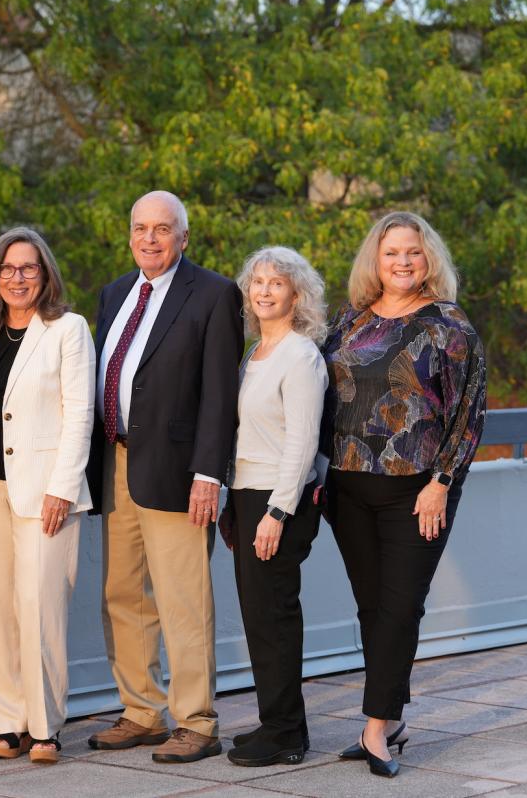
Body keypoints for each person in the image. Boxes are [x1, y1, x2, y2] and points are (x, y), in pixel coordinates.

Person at [321, 211, 486, 778]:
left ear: (428, 258)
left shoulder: (449, 325)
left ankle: (373, 727)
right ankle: (390, 718)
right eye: (391, 252)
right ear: (376, 259)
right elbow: (322, 400)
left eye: (412, 252)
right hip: (346, 487)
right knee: (373, 607)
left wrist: (442, 482)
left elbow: (468, 413)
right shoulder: (347, 321)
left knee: (400, 607)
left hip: (418, 491)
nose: (402, 262)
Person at [86, 190, 244, 763]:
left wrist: (210, 472)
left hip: (180, 470)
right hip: (117, 461)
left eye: (162, 229)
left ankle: (197, 720)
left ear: (183, 237)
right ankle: (141, 711)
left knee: (182, 597)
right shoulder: (114, 294)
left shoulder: (215, 294)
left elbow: (220, 394)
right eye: (139, 228)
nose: (149, 238)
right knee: (123, 593)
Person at [0, 227, 95, 764]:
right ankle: (1, 720)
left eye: (29, 268)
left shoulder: (67, 329)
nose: (18, 278)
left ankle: (44, 726)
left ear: (46, 275)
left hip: (47, 493)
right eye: (8, 269)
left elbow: (80, 413)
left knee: (40, 609)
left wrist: (62, 488)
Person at [219, 247, 328, 767]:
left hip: (277, 501)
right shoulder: (254, 352)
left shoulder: (300, 354)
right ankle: (279, 723)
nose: (263, 291)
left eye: (276, 284)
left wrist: (277, 513)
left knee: (274, 619)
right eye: (256, 282)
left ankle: (285, 734)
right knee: (259, 618)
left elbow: (303, 442)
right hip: (248, 495)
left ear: (296, 295)